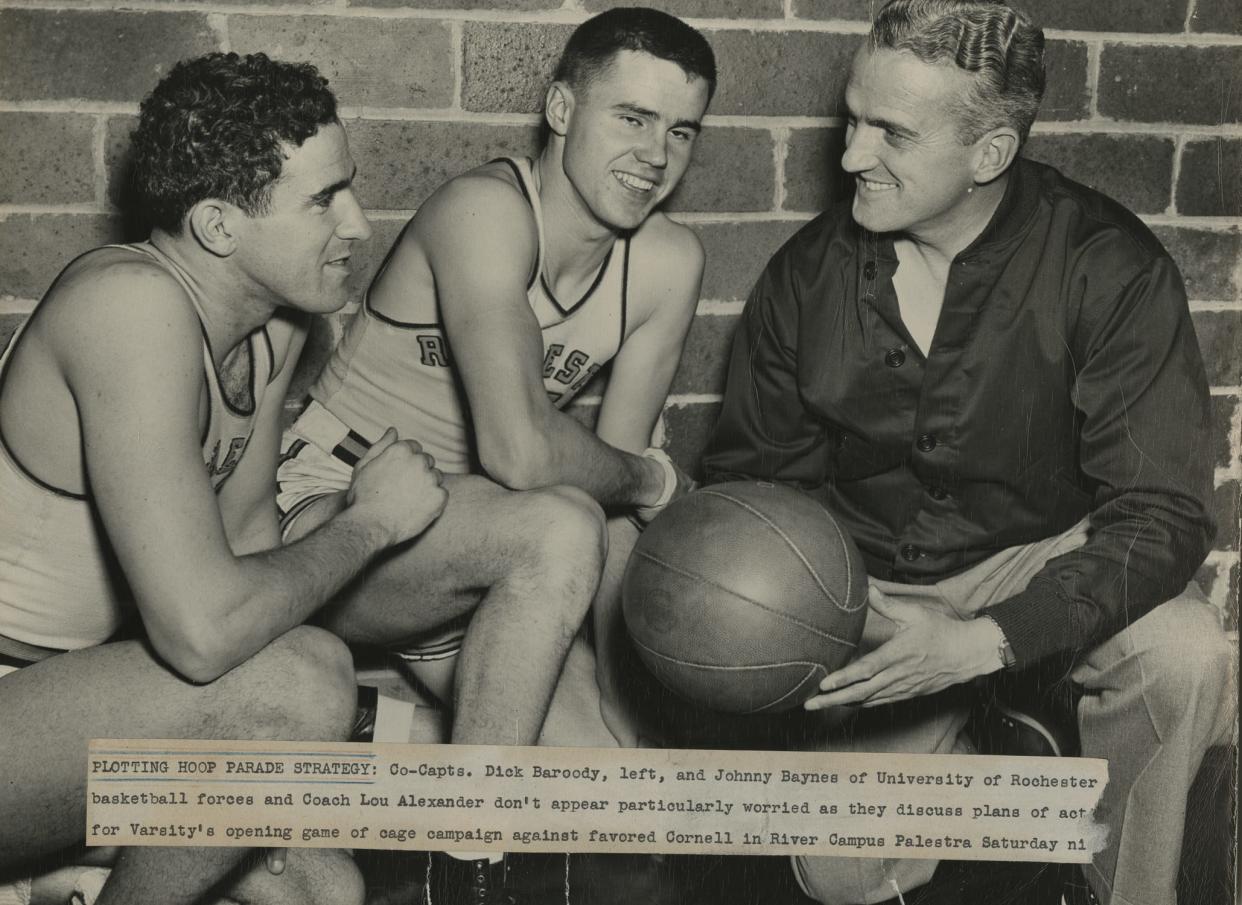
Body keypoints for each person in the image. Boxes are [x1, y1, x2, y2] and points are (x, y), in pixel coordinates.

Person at [699, 2, 1237, 904]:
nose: (850, 157)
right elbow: (752, 493)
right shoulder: (806, 275)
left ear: (989, 154)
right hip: (873, 589)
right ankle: (1000, 741)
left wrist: (993, 640)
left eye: (891, 134)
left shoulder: (1108, 265)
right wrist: (854, 618)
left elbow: (1163, 514)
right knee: (837, 870)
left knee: (1185, 651)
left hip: (1041, 561)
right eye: (852, 118)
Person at [0, 52, 449, 905]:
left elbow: (252, 567)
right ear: (216, 226)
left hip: (74, 709)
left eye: (348, 186)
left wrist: (267, 780)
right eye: (323, 200)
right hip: (18, 704)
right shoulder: (128, 307)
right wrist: (368, 521)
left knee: (326, 889)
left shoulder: (269, 332)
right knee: (302, 683)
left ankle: (45, 879)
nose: (357, 223)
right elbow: (206, 633)